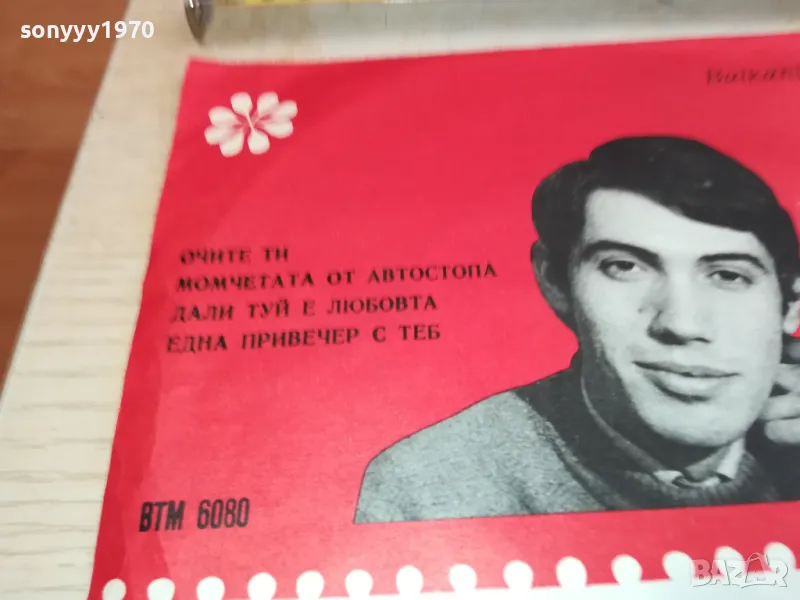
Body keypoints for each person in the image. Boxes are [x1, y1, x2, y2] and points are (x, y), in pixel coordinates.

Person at [354, 135, 800, 524]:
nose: (681, 324)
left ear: (792, 303)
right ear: (556, 282)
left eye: (728, 275)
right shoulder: (425, 485)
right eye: (624, 267)